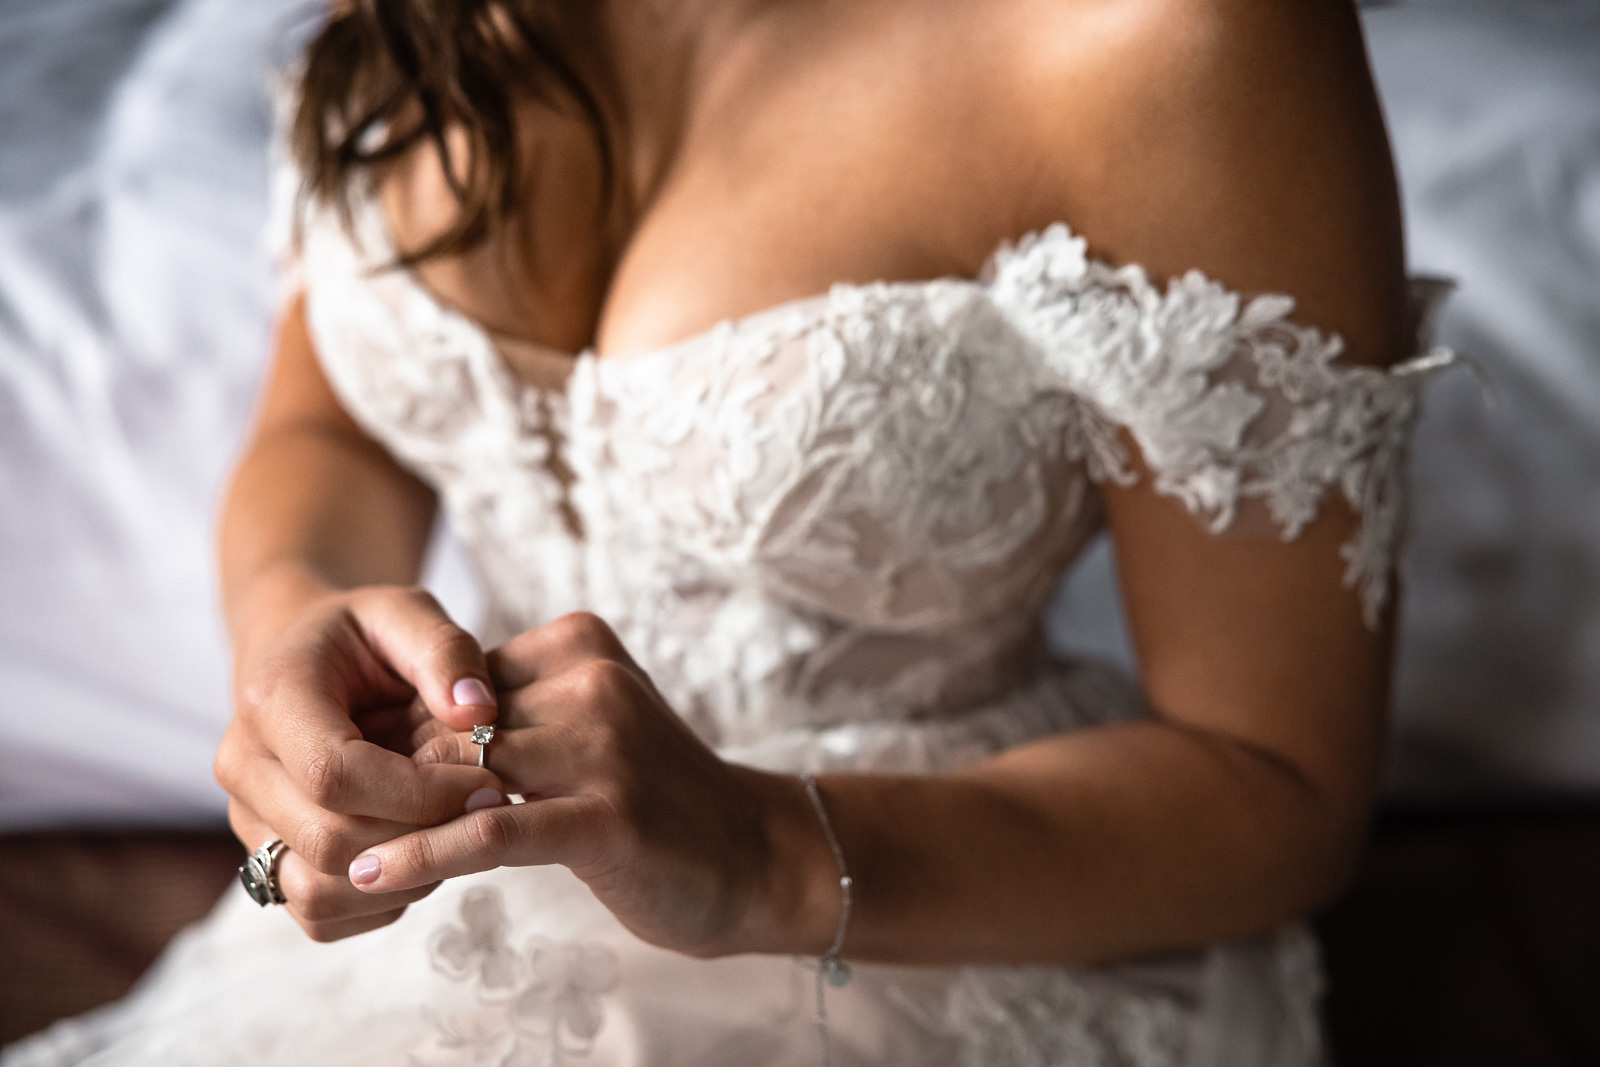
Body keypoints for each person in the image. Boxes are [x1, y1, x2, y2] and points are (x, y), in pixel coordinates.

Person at [6, 0, 1456, 1063]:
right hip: (433, 932)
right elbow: (325, 429)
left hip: (931, 927)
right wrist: (287, 630)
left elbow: (1279, 783)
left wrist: (757, 852)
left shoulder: (1174, 40)